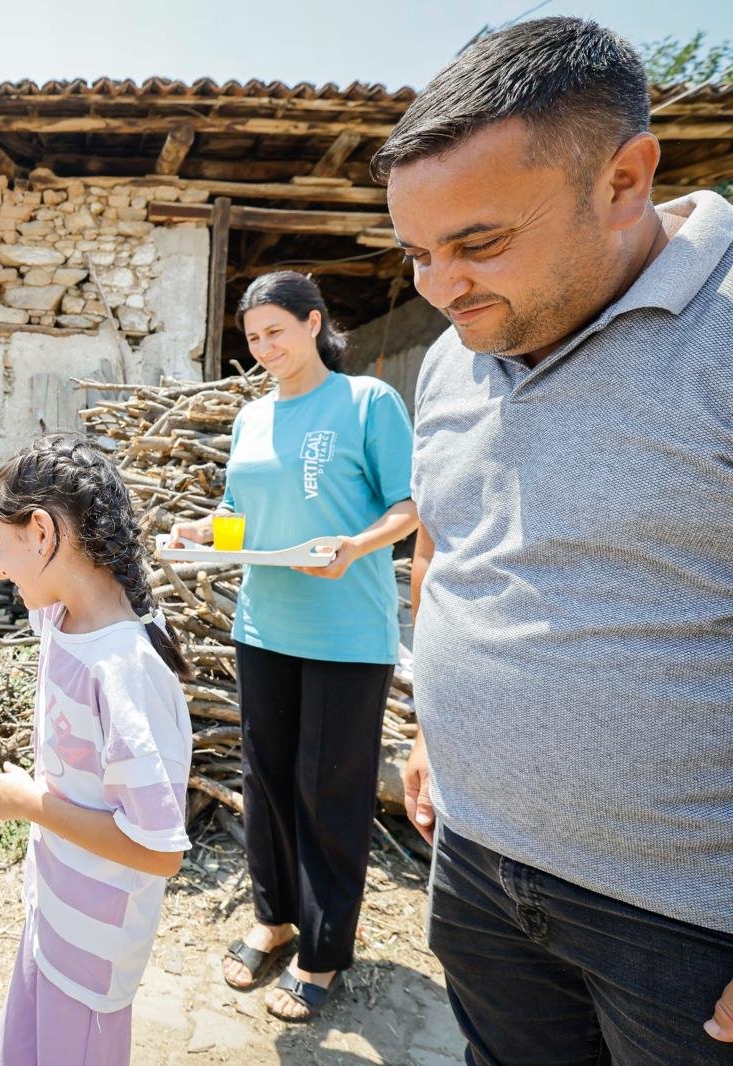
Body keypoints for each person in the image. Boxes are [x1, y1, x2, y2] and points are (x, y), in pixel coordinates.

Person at [375, 17, 733, 1061]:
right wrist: (433, 729)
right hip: (478, 868)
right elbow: (446, 548)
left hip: (685, 923)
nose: (439, 287)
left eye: (478, 243)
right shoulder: (453, 356)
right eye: (417, 253)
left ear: (623, 180)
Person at [0, 434, 193, 1066]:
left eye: (0, 543)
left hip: (95, 943)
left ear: (41, 532)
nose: (0, 565)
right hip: (54, 908)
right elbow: (11, 560)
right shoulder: (65, 614)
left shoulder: (123, 668)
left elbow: (160, 851)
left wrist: (31, 805)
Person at [166, 272, 416, 1020]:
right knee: (268, 779)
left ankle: (323, 952)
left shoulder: (367, 402)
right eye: (253, 337)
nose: (264, 347)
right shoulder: (252, 418)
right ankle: (273, 920)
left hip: (346, 631)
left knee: (328, 789)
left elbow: (408, 507)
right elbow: (238, 512)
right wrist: (200, 532)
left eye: (276, 330)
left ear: (314, 323)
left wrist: (354, 544)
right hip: (264, 624)